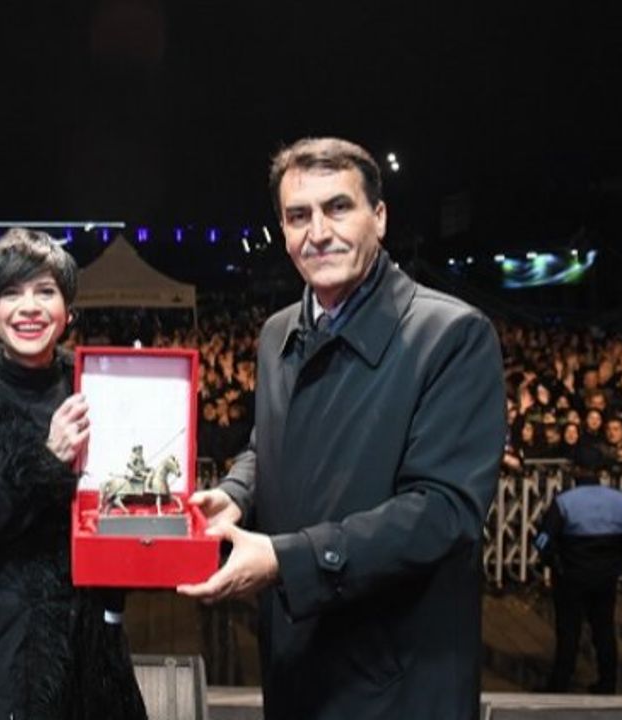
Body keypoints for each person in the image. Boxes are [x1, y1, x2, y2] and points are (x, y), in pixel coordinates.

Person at [177, 137, 506, 719]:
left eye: (338, 208)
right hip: (298, 663)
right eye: (298, 216)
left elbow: (444, 511)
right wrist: (238, 493)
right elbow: (268, 443)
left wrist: (288, 560)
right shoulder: (277, 333)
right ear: (283, 231)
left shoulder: (452, 335)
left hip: (396, 677)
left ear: (379, 217)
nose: (319, 232)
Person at [0, 228, 146, 719]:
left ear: (68, 310)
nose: (29, 307)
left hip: (91, 647)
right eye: (11, 293)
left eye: (45, 291)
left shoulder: (95, 388)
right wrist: (45, 461)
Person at [534, 475, 622, 693]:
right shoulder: (621, 501)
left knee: (568, 630)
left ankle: (560, 683)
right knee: (604, 629)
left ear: (576, 473)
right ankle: (608, 682)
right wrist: (616, 558)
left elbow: (543, 540)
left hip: (571, 575)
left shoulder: (565, 501)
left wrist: (554, 562)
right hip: (605, 576)